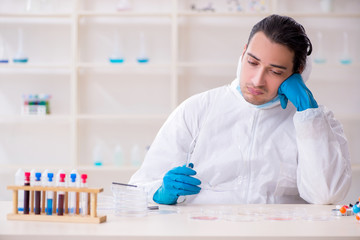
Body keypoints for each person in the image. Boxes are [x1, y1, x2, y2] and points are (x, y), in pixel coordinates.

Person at [129, 14, 351, 205]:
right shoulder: (197, 110)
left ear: (298, 72)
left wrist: (307, 111)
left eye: (275, 71)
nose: (257, 81)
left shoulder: (318, 123)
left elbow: (326, 196)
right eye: (252, 63)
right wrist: (160, 193)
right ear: (243, 52)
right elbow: (137, 189)